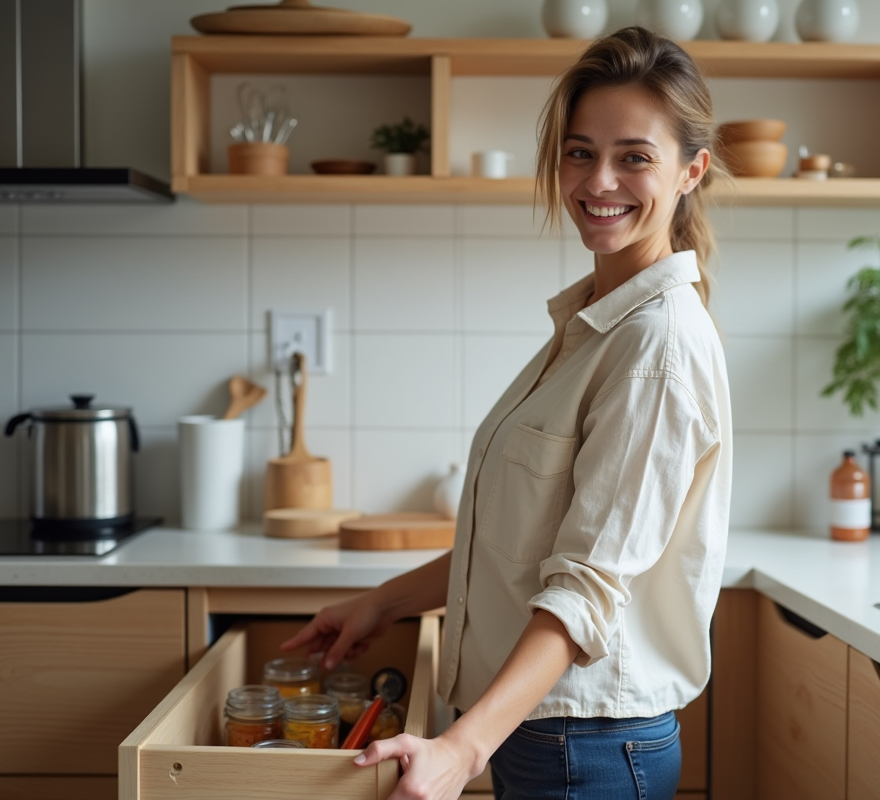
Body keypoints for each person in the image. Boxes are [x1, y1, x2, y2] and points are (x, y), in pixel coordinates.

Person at [281, 26, 732, 800]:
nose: (599, 180)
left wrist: (463, 748)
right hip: (542, 734)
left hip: (586, 746)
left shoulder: (655, 344)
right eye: (580, 151)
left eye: (635, 156)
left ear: (691, 171)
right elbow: (521, 550)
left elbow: (586, 586)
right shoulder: (594, 323)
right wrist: (380, 604)